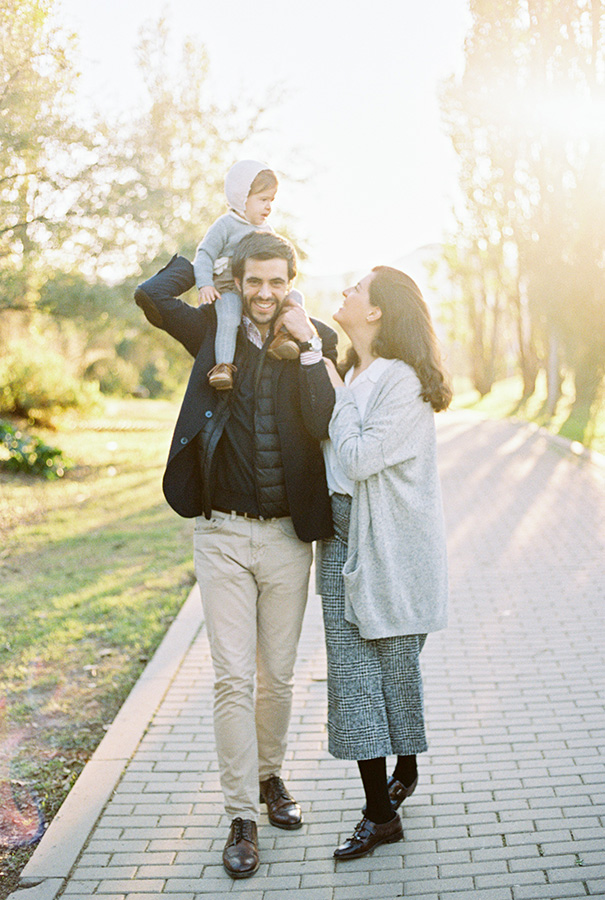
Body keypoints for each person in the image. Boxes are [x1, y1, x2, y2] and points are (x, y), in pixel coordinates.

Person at [134, 231, 337, 878]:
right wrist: (204, 260)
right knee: (231, 678)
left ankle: (272, 777)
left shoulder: (312, 339)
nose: (264, 293)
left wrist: (308, 340)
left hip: (285, 539)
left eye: (276, 281)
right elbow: (149, 294)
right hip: (221, 534)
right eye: (254, 281)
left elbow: (328, 415)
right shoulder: (209, 335)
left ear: (291, 283)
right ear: (238, 280)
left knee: (276, 676)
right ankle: (240, 815)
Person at [319, 266, 452, 860]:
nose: (346, 291)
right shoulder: (354, 369)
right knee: (356, 680)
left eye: (357, 287)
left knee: (389, 673)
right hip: (343, 540)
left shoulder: (395, 381)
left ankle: (387, 802)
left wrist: (337, 394)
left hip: (388, 547)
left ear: (376, 312)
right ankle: (387, 803)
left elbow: (358, 457)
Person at [193, 159, 302, 390]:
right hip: (230, 288)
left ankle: (281, 339)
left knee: (296, 299)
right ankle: (223, 366)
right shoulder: (225, 225)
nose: (268, 207)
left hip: (257, 291)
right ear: (241, 197)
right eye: (263, 200)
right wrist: (204, 284)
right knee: (229, 315)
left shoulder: (267, 231)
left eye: (271, 201)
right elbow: (205, 254)